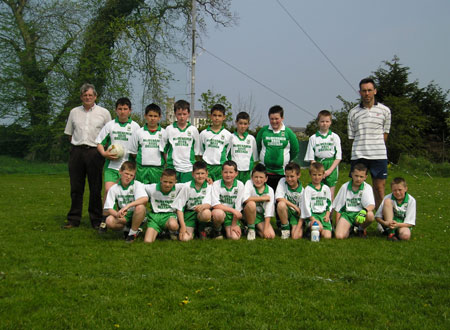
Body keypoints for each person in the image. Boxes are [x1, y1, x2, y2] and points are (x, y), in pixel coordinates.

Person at [63, 83, 111, 229]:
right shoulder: (74, 112)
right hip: (77, 151)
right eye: (85, 95)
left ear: (95, 96)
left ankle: (96, 220)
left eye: (90, 95)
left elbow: (109, 134)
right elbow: (69, 134)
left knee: (95, 188)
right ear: (81, 97)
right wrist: (78, 146)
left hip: (94, 152)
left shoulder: (104, 113)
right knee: (76, 187)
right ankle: (73, 219)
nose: (88, 98)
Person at [96, 97, 140, 233]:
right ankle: (104, 220)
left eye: (125, 109)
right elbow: (99, 143)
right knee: (109, 191)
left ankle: (127, 219)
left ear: (130, 110)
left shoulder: (135, 127)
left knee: (128, 194)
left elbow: (139, 146)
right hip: (112, 166)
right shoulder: (110, 125)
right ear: (116, 110)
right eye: (120, 109)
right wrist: (104, 154)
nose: (122, 112)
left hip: (128, 167)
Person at [348, 78, 391, 209]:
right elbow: (352, 136)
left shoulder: (385, 111)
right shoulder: (353, 112)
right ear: (359, 92)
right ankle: (357, 219)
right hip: (359, 154)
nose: (367, 93)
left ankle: (380, 218)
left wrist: (375, 145)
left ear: (375, 91)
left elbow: (385, 134)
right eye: (364, 91)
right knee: (356, 188)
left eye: (369, 90)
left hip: (378, 155)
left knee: (379, 188)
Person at [128, 169, 183, 243]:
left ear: (175, 182)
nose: (167, 184)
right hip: (154, 217)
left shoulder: (178, 188)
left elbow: (191, 184)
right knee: (148, 241)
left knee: (173, 225)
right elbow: (139, 185)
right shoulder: (152, 188)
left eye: (170, 182)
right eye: (165, 181)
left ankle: (172, 232)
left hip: (169, 216)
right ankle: (160, 232)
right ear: (160, 179)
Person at [256, 105, 299, 191]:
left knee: (279, 199)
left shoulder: (288, 132)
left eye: (277, 119)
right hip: (265, 172)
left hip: (282, 173)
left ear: (282, 118)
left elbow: (295, 150)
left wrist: (285, 161)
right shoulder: (263, 131)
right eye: (272, 119)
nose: (274, 121)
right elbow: (257, 146)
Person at [102, 161, 148, 237]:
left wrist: (127, 206)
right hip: (124, 215)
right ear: (120, 172)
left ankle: (132, 233)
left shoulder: (137, 184)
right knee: (109, 221)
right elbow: (109, 208)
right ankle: (127, 227)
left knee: (140, 207)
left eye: (131, 175)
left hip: (136, 212)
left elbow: (144, 199)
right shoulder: (114, 188)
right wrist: (117, 214)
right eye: (126, 174)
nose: (128, 177)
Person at [304, 110, 341, 200]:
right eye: (322, 121)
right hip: (318, 165)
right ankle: (317, 212)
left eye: (327, 121)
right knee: (318, 193)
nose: (324, 124)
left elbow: (338, 157)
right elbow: (311, 157)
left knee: (330, 194)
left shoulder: (335, 137)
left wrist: (329, 170)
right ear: (318, 122)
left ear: (331, 122)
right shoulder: (313, 138)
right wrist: (318, 170)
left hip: (331, 166)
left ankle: (329, 214)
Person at [333, 163, 375, 239]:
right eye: (356, 176)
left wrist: (364, 211)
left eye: (361, 176)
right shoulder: (344, 187)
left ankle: (360, 229)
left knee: (370, 215)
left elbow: (372, 205)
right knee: (339, 236)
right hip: (347, 215)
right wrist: (337, 224)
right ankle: (351, 229)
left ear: (365, 177)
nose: (358, 179)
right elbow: (338, 208)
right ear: (352, 174)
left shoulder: (367, 187)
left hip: (360, 214)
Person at [172, 161, 212, 241]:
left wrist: (202, 206)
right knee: (184, 239)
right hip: (189, 214)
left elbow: (209, 204)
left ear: (207, 174)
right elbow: (179, 208)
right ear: (193, 174)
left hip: (202, 213)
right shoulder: (187, 187)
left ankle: (202, 229)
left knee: (207, 213)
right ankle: (192, 231)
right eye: (197, 173)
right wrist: (183, 227)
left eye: (202, 173)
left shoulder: (209, 186)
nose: (200, 176)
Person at [129, 103, 167, 184]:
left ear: (160, 117)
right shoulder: (138, 132)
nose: (152, 118)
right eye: (150, 116)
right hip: (141, 169)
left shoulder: (164, 133)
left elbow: (165, 153)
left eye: (155, 116)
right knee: (141, 194)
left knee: (156, 194)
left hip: (157, 170)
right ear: (145, 116)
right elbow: (134, 152)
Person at [164, 100, 200, 183]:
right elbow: (165, 150)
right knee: (172, 194)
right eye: (179, 114)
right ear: (175, 114)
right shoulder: (169, 129)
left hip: (188, 169)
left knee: (186, 193)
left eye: (184, 114)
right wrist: (169, 163)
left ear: (189, 114)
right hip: (172, 169)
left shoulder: (193, 130)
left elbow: (197, 151)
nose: (182, 117)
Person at [211, 160, 245, 240]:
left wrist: (234, 224)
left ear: (236, 173)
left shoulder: (240, 185)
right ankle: (217, 230)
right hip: (221, 212)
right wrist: (233, 211)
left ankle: (238, 227)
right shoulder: (216, 184)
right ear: (222, 172)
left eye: (231, 172)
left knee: (233, 237)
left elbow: (238, 207)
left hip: (233, 216)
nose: (228, 175)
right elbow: (215, 204)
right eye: (225, 172)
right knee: (217, 213)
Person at [243, 163, 276, 241]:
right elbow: (245, 199)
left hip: (260, 216)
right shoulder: (249, 183)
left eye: (261, 177)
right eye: (256, 177)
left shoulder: (270, 190)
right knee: (251, 204)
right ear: (252, 177)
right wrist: (262, 198)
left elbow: (269, 210)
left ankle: (251, 228)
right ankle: (251, 229)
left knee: (270, 235)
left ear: (266, 179)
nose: (258, 180)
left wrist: (266, 228)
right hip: (248, 213)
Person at [199, 104, 232, 181]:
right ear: (210, 116)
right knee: (207, 190)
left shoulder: (228, 135)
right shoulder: (204, 133)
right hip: (207, 167)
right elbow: (201, 152)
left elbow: (227, 152)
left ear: (224, 117)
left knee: (219, 190)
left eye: (219, 116)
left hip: (220, 168)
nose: (217, 118)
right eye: (214, 115)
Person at [301, 163, 332, 239]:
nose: (317, 177)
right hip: (313, 215)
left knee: (327, 236)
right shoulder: (308, 189)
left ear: (323, 175)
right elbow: (306, 206)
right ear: (310, 175)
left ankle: (316, 231)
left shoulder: (326, 188)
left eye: (319, 175)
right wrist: (312, 218)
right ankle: (310, 230)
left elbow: (329, 203)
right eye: (314, 175)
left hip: (323, 215)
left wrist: (327, 215)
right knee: (318, 227)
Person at [275, 162, 304, 240]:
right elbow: (278, 198)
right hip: (287, 211)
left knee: (296, 236)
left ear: (298, 175)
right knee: (281, 204)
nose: (289, 179)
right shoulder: (282, 181)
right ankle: (285, 229)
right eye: (287, 176)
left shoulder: (303, 191)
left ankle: (300, 227)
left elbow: (302, 211)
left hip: (296, 215)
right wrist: (294, 206)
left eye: (292, 176)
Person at [228, 112, 258, 183]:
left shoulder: (251, 139)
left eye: (245, 124)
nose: (243, 126)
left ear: (248, 124)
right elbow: (226, 155)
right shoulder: (231, 137)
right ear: (236, 123)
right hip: (234, 171)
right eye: (240, 123)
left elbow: (254, 157)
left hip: (247, 172)